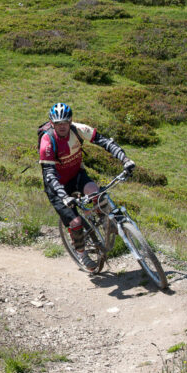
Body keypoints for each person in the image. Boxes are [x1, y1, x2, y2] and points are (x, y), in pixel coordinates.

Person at [40, 103, 135, 272]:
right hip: (56, 185)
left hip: (76, 175)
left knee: (96, 193)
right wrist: (64, 196)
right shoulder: (47, 140)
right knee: (75, 222)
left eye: (65, 122)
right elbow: (49, 174)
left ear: (70, 121)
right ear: (52, 123)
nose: (62, 126)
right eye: (58, 123)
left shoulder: (79, 130)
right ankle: (82, 254)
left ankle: (106, 223)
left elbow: (105, 142)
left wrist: (125, 159)